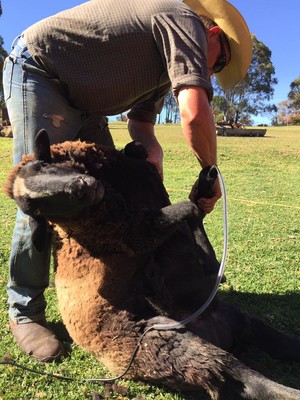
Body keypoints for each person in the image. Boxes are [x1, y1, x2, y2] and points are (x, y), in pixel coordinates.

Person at [2, 0, 252, 362]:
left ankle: (124, 289)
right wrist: (209, 171)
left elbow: (141, 127)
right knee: (44, 193)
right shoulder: (185, 23)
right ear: (212, 33)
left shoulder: (164, 68)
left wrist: (152, 165)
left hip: (86, 102)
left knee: (110, 198)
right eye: (219, 63)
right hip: (39, 70)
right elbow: (194, 113)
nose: (210, 73)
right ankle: (24, 311)